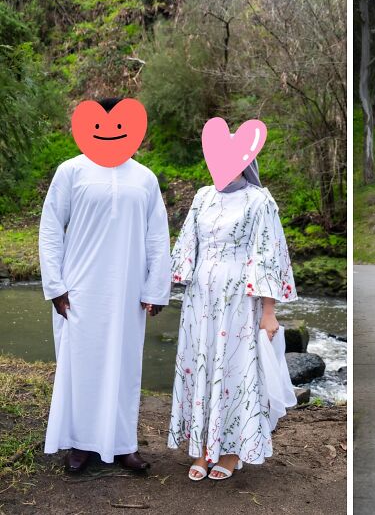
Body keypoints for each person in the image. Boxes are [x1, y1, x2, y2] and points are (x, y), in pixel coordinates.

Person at [38, 97, 171, 473]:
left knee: (124, 366)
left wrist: (155, 288)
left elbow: (157, 237)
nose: (111, 133)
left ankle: (122, 443)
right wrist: (55, 285)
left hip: (128, 292)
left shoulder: (144, 178)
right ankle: (80, 445)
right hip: (79, 290)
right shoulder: (71, 171)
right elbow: (50, 229)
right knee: (81, 365)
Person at [169, 158, 297, 480]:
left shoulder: (259, 200)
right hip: (201, 298)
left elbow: (268, 254)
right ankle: (200, 449)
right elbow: (188, 244)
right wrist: (164, 285)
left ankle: (230, 452)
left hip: (240, 299)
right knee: (201, 366)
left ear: (246, 162)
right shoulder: (202, 197)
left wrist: (269, 313)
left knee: (233, 372)